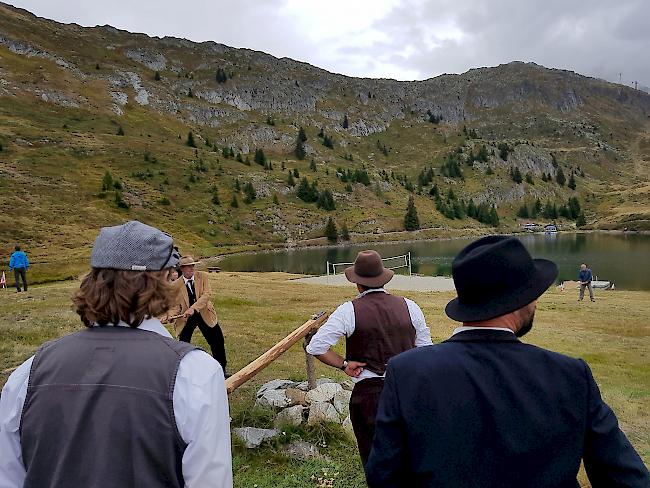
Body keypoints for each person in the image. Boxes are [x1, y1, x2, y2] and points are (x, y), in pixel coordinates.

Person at [365, 236, 648, 487]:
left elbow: (383, 476)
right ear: (522, 300)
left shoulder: (405, 372)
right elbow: (625, 477)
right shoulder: (571, 376)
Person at [0, 221, 233, 488]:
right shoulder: (196, 373)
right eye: (173, 274)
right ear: (165, 279)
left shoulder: (28, 373)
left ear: (94, 281)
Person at [306, 250, 432, 465]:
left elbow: (316, 346)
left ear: (357, 283)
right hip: (408, 392)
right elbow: (426, 351)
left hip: (369, 397)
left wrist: (344, 364)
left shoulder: (348, 311)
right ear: (383, 279)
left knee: (375, 461)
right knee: (413, 459)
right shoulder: (410, 306)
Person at [167, 255, 228, 375]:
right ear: (182, 269)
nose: (192, 268)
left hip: (204, 313)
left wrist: (193, 308)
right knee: (183, 344)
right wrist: (170, 315)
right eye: (188, 266)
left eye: (193, 265)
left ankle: (221, 370)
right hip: (186, 318)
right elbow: (175, 306)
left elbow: (206, 295)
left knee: (217, 341)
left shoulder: (203, 276)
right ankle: (182, 372)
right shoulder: (175, 285)